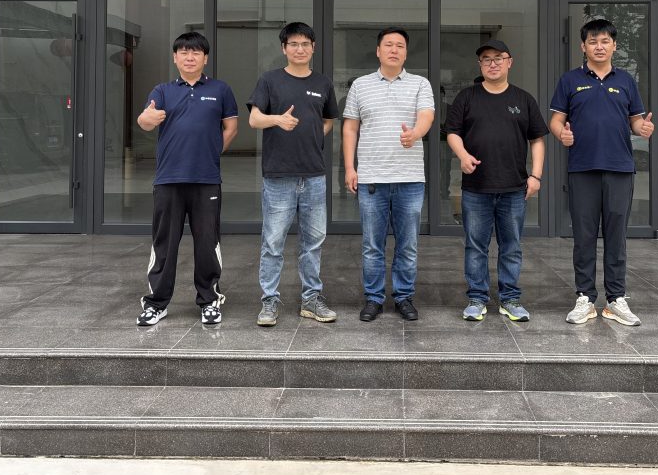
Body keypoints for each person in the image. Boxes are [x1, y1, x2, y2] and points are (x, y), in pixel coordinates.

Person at [548, 18, 655, 327]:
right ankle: (584, 297)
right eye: (593, 41)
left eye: (605, 41)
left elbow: (636, 120)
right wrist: (561, 134)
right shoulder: (570, 80)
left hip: (620, 167)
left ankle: (615, 299)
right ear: (583, 46)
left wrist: (643, 128)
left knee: (616, 236)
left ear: (614, 45)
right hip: (582, 167)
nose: (599, 46)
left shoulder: (626, 81)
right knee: (583, 235)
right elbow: (555, 120)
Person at [135, 31, 238, 327]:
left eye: (195, 52)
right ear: (175, 57)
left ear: (205, 58)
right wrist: (147, 119)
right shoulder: (162, 90)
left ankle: (209, 300)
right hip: (168, 180)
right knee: (164, 243)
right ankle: (156, 303)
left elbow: (231, 127)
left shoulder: (220, 89)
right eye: (183, 52)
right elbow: (145, 119)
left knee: (207, 243)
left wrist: (212, 152)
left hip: (207, 179)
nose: (189, 57)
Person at [446, 40, 547, 323]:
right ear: (480, 65)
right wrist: (463, 155)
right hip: (476, 188)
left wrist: (536, 175)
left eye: (498, 58)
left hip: (514, 188)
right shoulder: (467, 97)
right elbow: (452, 132)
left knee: (511, 246)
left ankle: (510, 299)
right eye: (486, 59)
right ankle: (477, 299)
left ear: (509, 62)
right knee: (475, 246)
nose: (493, 63)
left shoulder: (524, 99)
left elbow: (537, 139)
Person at [247, 22, 339, 327]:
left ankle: (311, 299)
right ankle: (269, 301)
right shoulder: (270, 80)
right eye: (294, 44)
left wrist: (312, 136)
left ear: (313, 47)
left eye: (305, 44)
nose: (300, 49)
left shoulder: (323, 82)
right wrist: (277, 120)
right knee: (273, 242)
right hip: (278, 175)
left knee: (313, 242)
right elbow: (254, 119)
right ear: (284, 48)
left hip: (313, 175)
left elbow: (328, 120)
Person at [343, 27, 435, 322]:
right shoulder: (360, 85)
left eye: (400, 46)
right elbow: (350, 128)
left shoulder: (420, 83)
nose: (394, 50)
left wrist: (415, 134)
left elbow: (427, 116)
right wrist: (350, 168)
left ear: (406, 53)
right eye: (388, 45)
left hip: (410, 179)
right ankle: (373, 298)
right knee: (372, 245)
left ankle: (404, 297)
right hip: (372, 178)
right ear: (378, 51)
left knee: (408, 245)